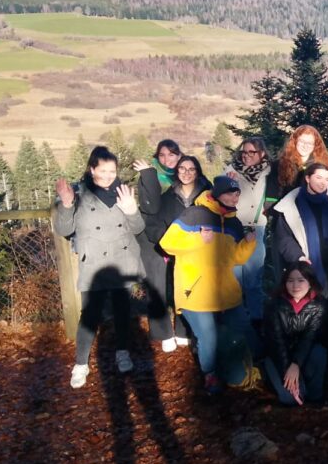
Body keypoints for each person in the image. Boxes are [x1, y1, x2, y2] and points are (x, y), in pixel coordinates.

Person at [54, 146, 145, 389]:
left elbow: (137, 228)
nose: (107, 175)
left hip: (122, 261)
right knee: (90, 315)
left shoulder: (123, 192)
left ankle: (122, 352)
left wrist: (131, 210)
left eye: (112, 171)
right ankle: (81, 364)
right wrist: (65, 204)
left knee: (123, 311)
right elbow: (64, 230)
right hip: (93, 264)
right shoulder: (78, 193)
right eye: (102, 170)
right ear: (92, 169)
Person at [160, 175, 259, 394]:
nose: (234, 197)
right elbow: (167, 244)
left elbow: (236, 259)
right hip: (195, 292)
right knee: (208, 337)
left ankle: (243, 365)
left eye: (237, 194)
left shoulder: (233, 222)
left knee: (241, 326)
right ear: (217, 193)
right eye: (230, 193)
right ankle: (210, 374)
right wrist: (197, 240)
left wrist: (248, 245)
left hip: (225, 291)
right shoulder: (194, 214)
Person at [142, 155, 212, 352]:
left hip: (201, 254)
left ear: (198, 172)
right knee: (173, 290)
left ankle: (186, 331)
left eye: (191, 169)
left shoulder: (208, 196)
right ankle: (170, 333)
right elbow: (153, 223)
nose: (186, 173)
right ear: (177, 171)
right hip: (173, 252)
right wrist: (166, 244)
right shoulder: (166, 198)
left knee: (195, 292)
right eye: (182, 168)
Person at [132, 139, 183, 351]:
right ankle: (163, 332)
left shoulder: (186, 174)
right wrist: (149, 174)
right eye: (162, 155)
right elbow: (150, 208)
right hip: (152, 239)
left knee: (182, 284)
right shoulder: (149, 176)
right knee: (157, 286)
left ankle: (183, 329)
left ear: (179, 156)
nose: (167, 159)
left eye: (172, 155)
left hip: (180, 239)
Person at [224, 137, 279, 324]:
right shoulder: (231, 171)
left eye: (251, 152)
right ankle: (237, 320)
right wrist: (227, 186)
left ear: (261, 153)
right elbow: (219, 200)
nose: (246, 156)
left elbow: (276, 195)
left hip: (256, 228)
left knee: (254, 279)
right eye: (244, 152)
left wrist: (269, 207)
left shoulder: (270, 172)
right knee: (235, 278)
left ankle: (257, 319)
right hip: (234, 228)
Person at [272, 163, 328, 293]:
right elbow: (283, 238)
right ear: (307, 178)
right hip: (307, 266)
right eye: (318, 178)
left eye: (326, 179)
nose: (323, 183)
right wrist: (298, 257)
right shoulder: (290, 204)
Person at [263, 263, 328, 407]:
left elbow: (309, 337)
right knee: (290, 399)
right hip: (279, 355)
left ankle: (315, 394)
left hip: (303, 355)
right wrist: (288, 367)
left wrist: (296, 364)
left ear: (310, 282)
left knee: (319, 352)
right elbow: (277, 343)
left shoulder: (319, 305)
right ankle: (270, 373)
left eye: (301, 280)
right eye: (290, 280)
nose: (295, 285)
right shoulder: (274, 305)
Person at [276, 124, 328, 195]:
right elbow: (272, 196)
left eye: (310, 143)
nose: (305, 146)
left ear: (315, 145)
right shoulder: (281, 163)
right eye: (301, 141)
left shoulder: (322, 166)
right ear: (295, 141)